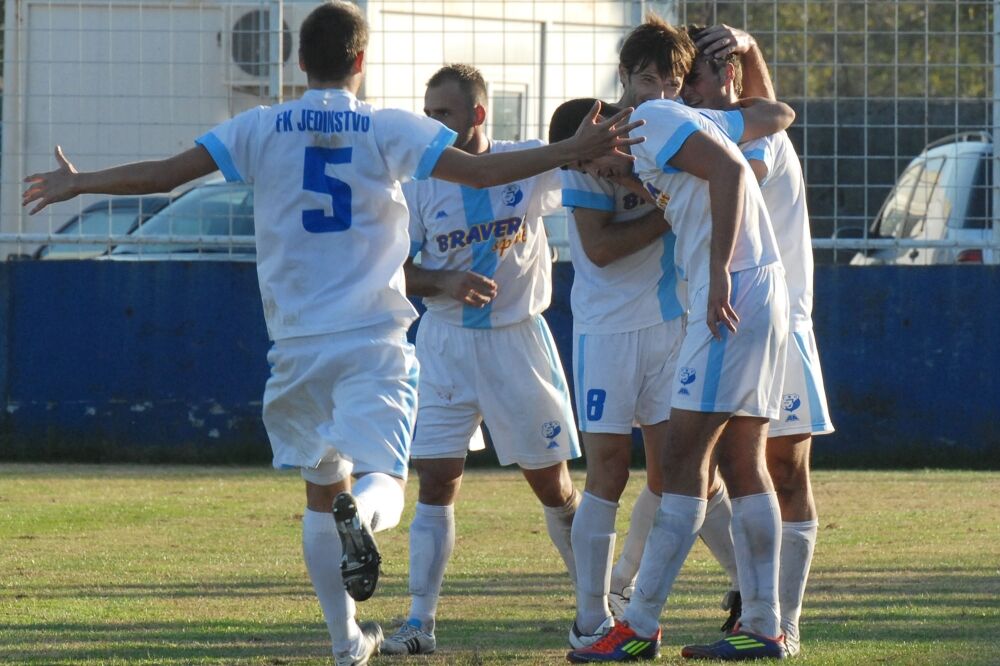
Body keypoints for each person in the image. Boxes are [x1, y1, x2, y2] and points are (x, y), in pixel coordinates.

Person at [20, 3, 642, 664]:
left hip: (294, 346)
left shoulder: (259, 126)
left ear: (296, 61)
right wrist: (574, 148)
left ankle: (348, 644)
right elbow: (483, 173)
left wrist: (81, 182)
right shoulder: (385, 127)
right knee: (383, 486)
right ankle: (366, 522)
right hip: (372, 338)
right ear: (361, 61)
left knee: (321, 491)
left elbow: (166, 175)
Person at [554, 15, 797, 651]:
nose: (591, 162)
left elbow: (731, 175)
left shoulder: (653, 120)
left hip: (733, 292)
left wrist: (715, 272)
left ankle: (636, 626)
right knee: (743, 463)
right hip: (760, 290)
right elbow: (777, 114)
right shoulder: (685, 121)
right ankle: (763, 625)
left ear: (640, 83)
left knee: (685, 464)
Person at [380, 63, 582, 656]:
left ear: (477, 114)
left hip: (517, 341)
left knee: (552, 485)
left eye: (443, 112)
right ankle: (420, 622)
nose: (432, 123)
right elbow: (393, 268)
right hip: (443, 346)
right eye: (427, 113)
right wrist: (442, 281)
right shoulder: (418, 184)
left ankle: (596, 604)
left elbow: (587, 175)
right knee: (437, 480)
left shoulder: (527, 164)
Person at [681, 24, 835, 659]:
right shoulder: (692, 138)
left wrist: (747, 47)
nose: (683, 92)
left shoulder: (756, 139)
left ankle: (780, 622)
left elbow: (767, 125)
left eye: (693, 78)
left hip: (781, 324)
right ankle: (756, 595)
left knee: (781, 468)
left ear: (725, 82)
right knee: (703, 465)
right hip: (723, 323)